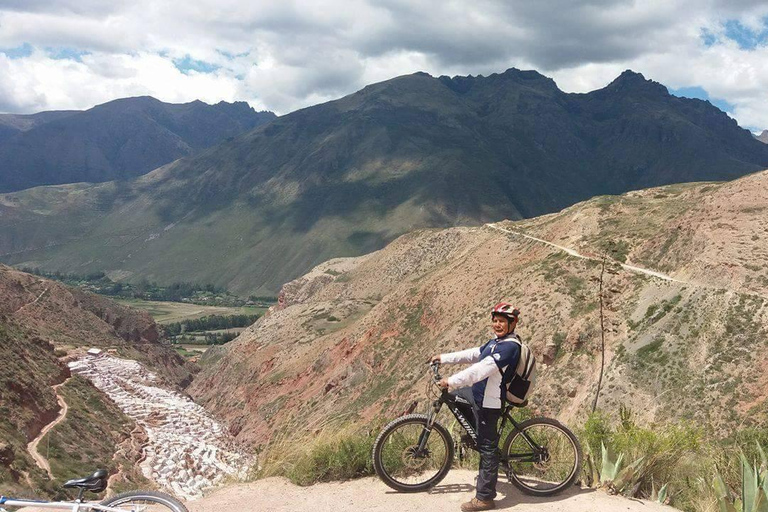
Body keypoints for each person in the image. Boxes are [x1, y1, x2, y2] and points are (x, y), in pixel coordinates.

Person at [430, 302, 523, 512]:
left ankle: (485, 498)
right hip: (476, 394)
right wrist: (444, 358)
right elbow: (474, 354)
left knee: (488, 449)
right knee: (454, 398)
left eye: (502, 321)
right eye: (495, 321)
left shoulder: (509, 347)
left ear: (512, 324)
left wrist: (451, 380)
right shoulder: (496, 342)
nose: (497, 324)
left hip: (489, 402)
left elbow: (481, 369)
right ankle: (475, 435)